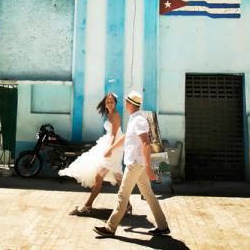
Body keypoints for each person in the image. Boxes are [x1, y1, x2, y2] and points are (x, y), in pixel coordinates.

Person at [94, 91, 170, 237]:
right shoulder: (134, 119)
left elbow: (146, 143)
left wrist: (148, 168)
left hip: (136, 164)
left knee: (122, 195)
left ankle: (110, 228)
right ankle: (163, 226)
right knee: (149, 195)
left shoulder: (139, 121)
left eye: (126, 102)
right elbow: (126, 138)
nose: (125, 104)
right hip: (138, 164)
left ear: (129, 104)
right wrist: (111, 148)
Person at [59, 93, 130, 215]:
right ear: (105, 103)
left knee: (99, 177)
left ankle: (88, 205)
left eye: (112, 102)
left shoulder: (116, 116)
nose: (109, 104)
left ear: (115, 103)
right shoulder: (109, 114)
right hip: (111, 145)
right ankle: (127, 205)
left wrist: (110, 149)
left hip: (114, 147)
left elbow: (114, 134)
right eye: (108, 102)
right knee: (118, 178)